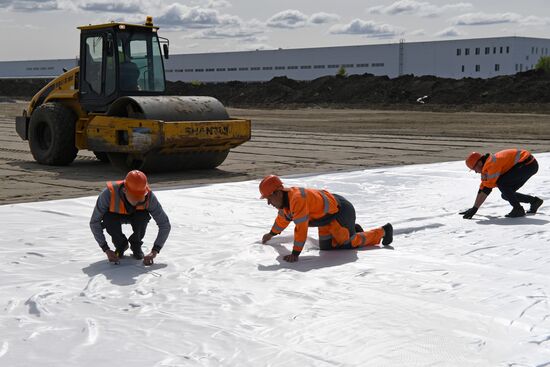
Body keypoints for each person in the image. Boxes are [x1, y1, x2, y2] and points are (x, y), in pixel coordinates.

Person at [259, 175, 393, 263]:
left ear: (278, 193)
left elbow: (301, 228)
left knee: (347, 244)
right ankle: (352, 229)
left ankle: (383, 231)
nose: (269, 203)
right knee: (327, 248)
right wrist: (271, 234)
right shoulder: (284, 203)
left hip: (341, 211)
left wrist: (295, 253)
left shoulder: (297, 199)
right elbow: (282, 220)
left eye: (269, 199)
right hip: (325, 218)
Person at [90, 170, 171, 265]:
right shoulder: (108, 194)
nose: (138, 201)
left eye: (140, 197)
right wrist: (106, 249)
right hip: (115, 216)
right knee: (108, 218)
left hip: (137, 217)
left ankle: (136, 244)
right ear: (125, 190)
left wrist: (155, 251)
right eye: (134, 197)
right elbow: (94, 222)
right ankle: (121, 245)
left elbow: (165, 225)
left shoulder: (149, 197)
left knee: (142, 216)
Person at [460, 149, 543, 219]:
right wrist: (473, 207)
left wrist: (475, 209)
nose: (475, 172)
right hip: (526, 165)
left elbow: (487, 189)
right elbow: (483, 187)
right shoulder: (487, 167)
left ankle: (518, 209)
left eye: (474, 169)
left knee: (502, 184)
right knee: (506, 194)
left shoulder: (492, 165)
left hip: (528, 165)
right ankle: (535, 201)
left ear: (479, 163)